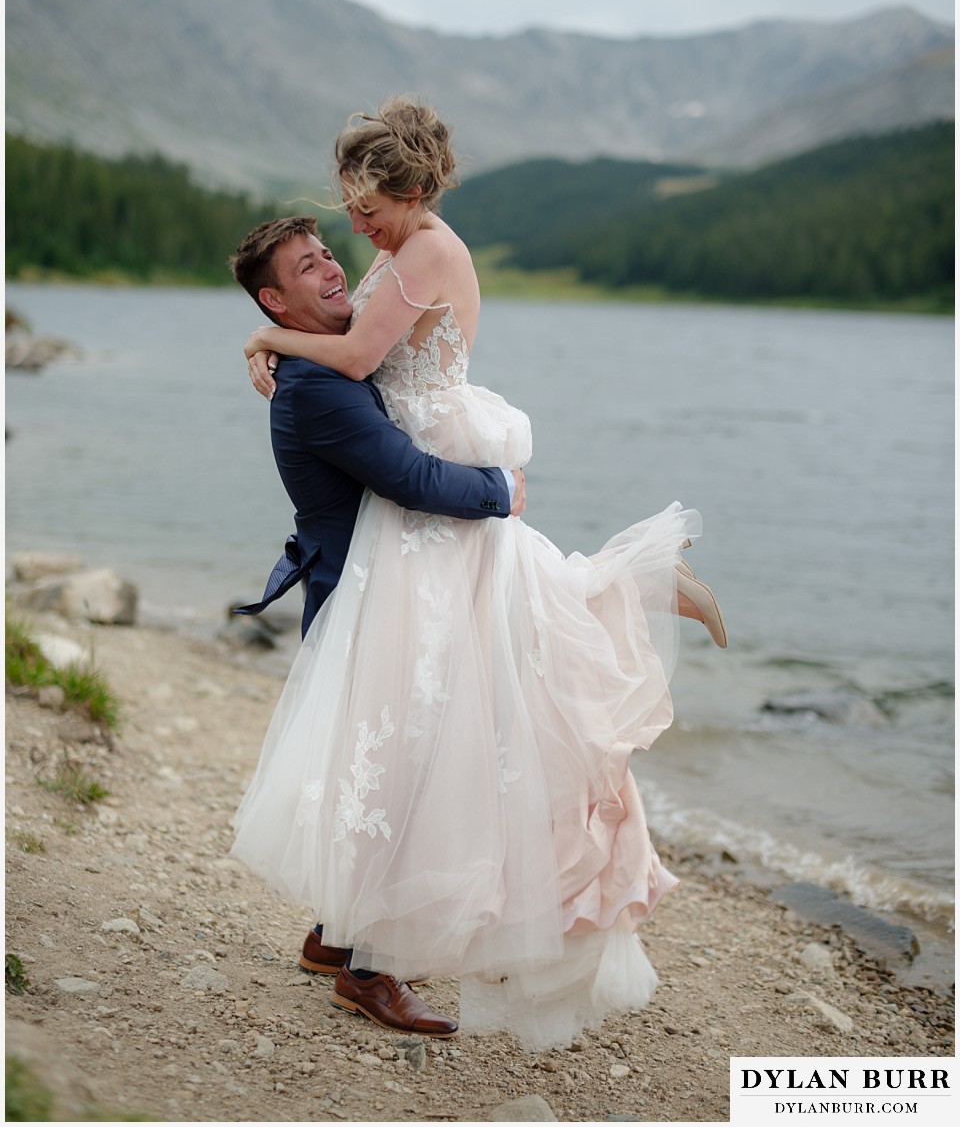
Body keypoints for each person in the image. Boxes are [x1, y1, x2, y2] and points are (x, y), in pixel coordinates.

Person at [231, 96, 727, 1051]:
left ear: (407, 190)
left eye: (363, 206)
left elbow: (361, 354)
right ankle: (357, 943)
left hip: (431, 486)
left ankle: (643, 579)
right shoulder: (405, 249)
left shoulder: (421, 251)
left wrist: (270, 338)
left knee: (472, 693)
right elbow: (362, 366)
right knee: (438, 709)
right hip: (411, 498)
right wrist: (274, 340)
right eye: (346, 211)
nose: (353, 228)